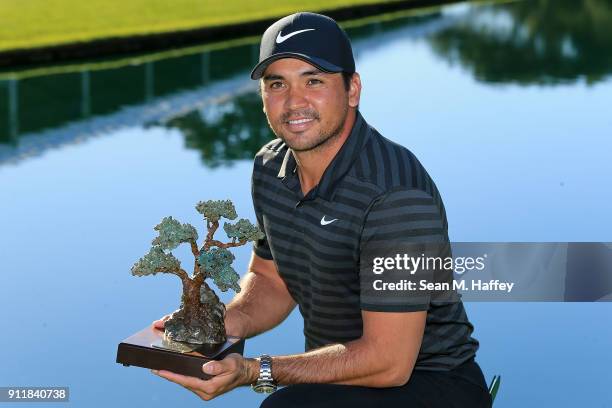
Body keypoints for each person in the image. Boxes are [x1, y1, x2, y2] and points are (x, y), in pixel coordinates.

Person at [152, 12, 492, 407]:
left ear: (352, 89)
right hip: (340, 379)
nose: (294, 102)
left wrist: (254, 371)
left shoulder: (395, 194)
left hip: (432, 383)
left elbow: (389, 362)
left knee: (285, 407)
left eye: (313, 81)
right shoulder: (269, 168)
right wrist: (216, 326)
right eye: (276, 84)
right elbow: (272, 279)